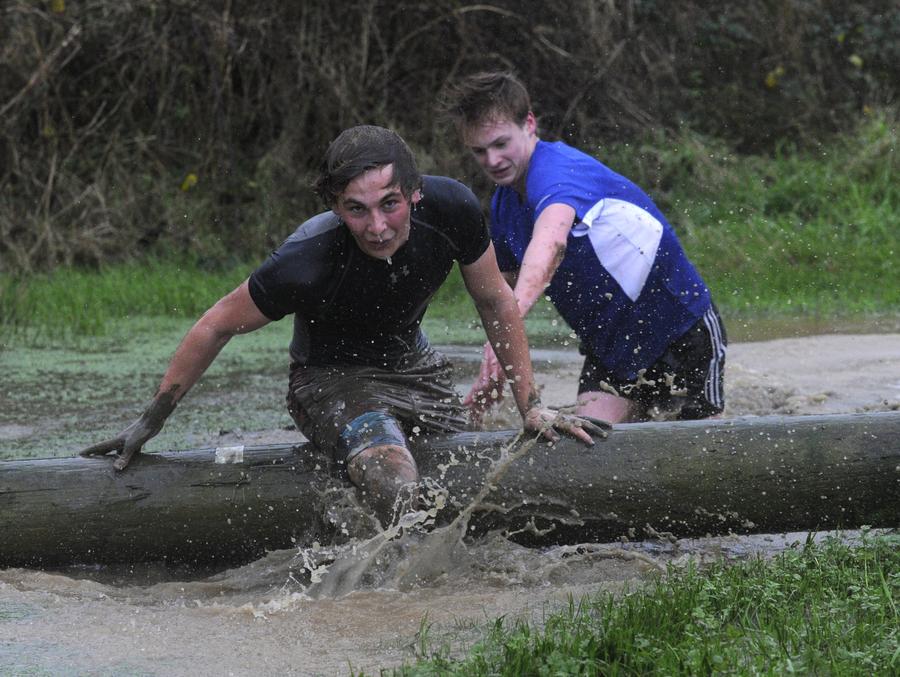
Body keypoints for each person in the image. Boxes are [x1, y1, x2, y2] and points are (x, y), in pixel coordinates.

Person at [80, 125, 606, 524]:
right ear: (335, 205)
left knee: (465, 469)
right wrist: (150, 421)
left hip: (415, 367)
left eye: (390, 205)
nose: (377, 227)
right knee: (395, 481)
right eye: (356, 210)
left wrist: (531, 405)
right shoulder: (307, 258)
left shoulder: (453, 210)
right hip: (329, 379)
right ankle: (400, 592)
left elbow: (495, 302)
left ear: (415, 192)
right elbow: (215, 324)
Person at [441, 71, 727, 424]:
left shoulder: (557, 171)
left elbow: (549, 246)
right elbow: (501, 294)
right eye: (479, 151)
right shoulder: (503, 205)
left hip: (680, 327)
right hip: (612, 351)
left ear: (529, 124)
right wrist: (496, 364)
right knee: (588, 445)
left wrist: (504, 333)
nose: (492, 160)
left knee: (704, 449)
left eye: (501, 144)